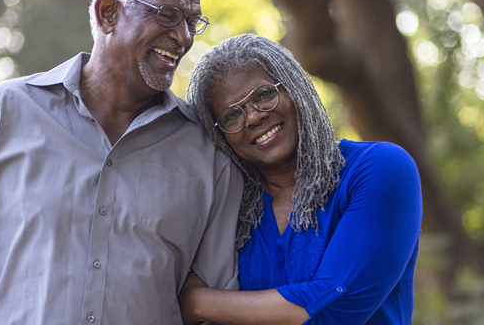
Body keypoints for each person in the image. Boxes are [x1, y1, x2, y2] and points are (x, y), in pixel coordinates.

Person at [0, 0, 243, 324]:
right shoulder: (1, 114)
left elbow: (217, 303)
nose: (184, 38)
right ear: (108, 13)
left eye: (192, 22)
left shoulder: (208, 151)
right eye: (169, 15)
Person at [181, 34, 422, 324]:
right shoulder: (229, 211)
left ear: (294, 88)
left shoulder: (379, 169)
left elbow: (331, 311)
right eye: (232, 115)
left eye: (264, 94)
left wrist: (197, 302)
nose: (254, 117)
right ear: (220, 137)